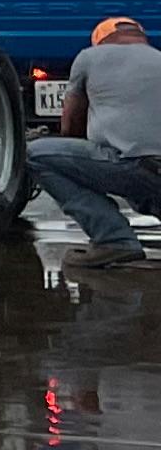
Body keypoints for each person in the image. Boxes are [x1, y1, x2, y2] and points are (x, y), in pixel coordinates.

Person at [31, 14, 161, 271]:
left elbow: (71, 125)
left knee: (35, 154)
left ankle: (113, 239)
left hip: (134, 167)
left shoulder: (88, 57)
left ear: (100, 40)